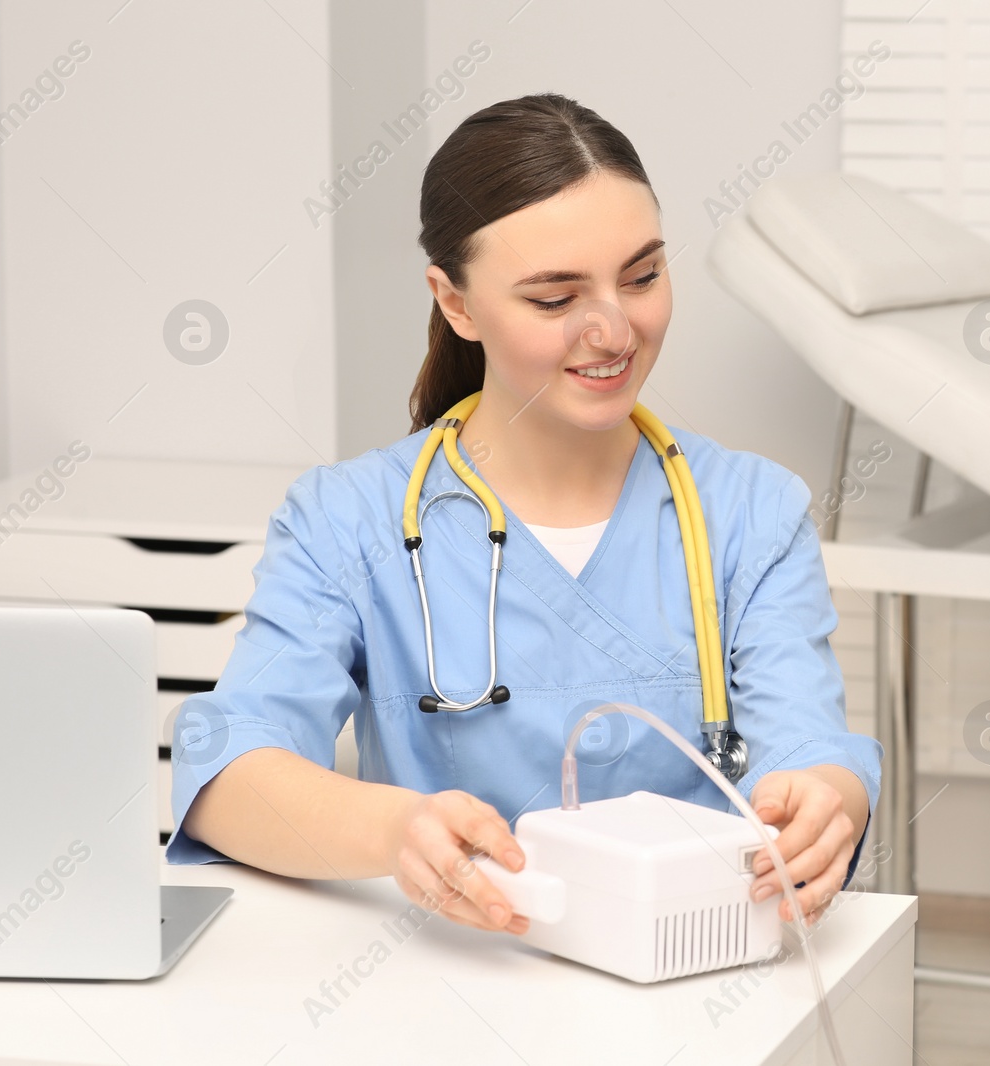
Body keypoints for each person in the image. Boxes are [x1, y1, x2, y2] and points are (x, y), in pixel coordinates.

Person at [170, 93, 881, 938]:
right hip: (458, 979)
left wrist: (826, 799)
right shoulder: (348, 521)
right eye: (554, 299)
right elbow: (228, 775)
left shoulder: (750, 513)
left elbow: (806, 742)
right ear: (456, 303)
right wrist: (396, 831)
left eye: (644, 275)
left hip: (695, 974)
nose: (615, 329)